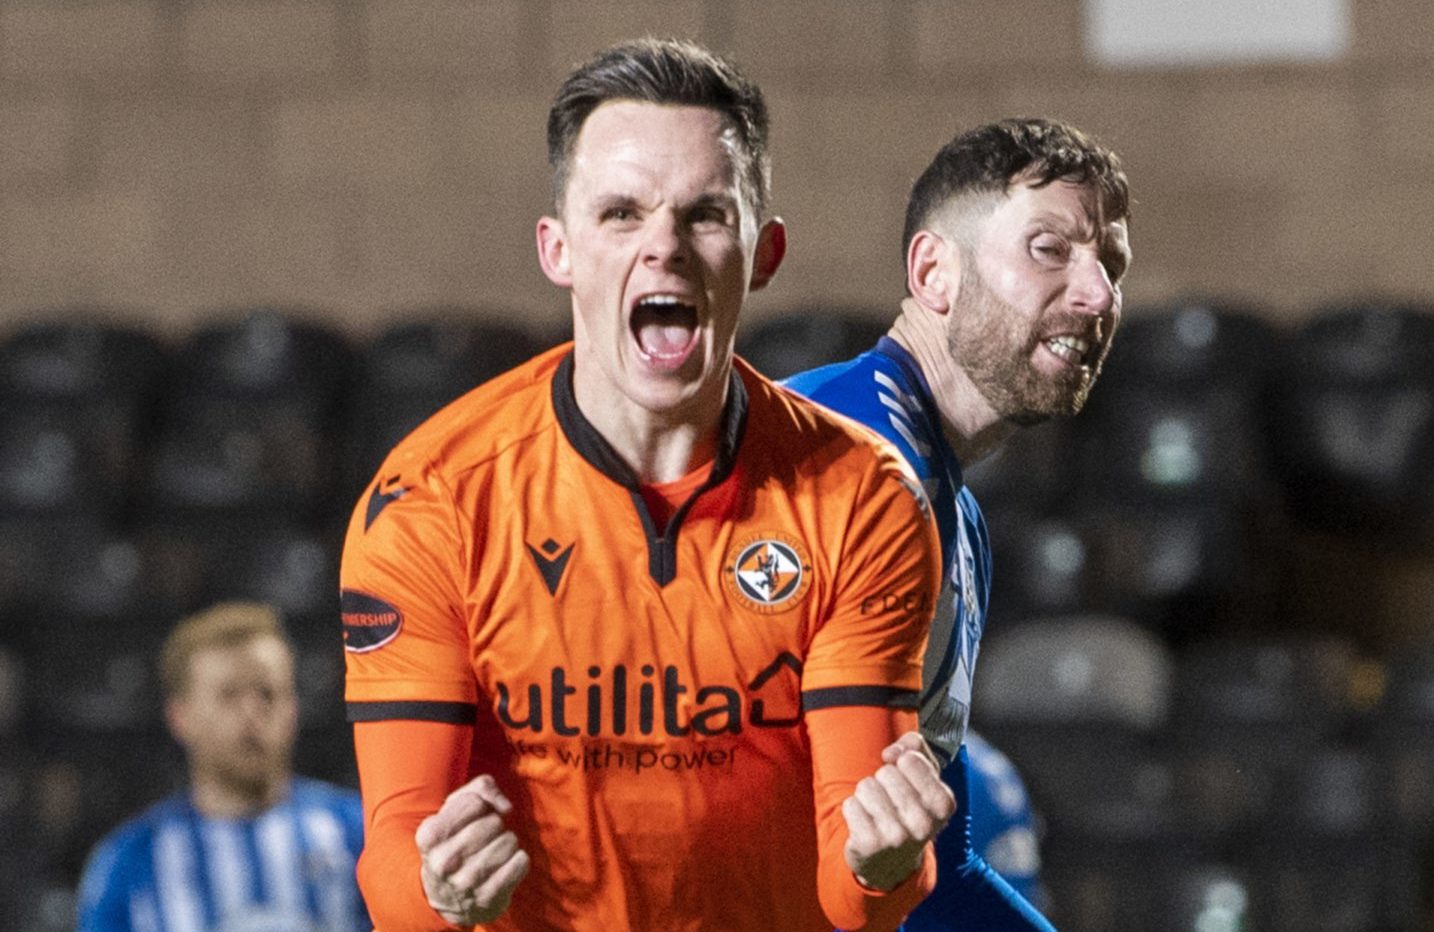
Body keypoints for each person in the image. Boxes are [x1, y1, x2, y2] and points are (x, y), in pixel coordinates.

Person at [340, 37, 954, 932]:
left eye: (705, 214)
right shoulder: (433, 503)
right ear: (558, 249)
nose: (663, 246)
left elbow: (856, 891)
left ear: (765, 250)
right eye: (621, 213)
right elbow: (393, 861)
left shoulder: (862, 498)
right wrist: (438, 897)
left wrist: (885, 864)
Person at [783, 116, 1133, 930]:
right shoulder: (826, 453)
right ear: (935, 271)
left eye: (1111, 265)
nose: (1098, 294)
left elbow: (941, 872)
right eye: (1051, 250)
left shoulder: (958, 517)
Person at [75, 602, 370, 932]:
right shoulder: (131, 864)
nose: (251, 712)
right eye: (228, 694)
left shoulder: (357, 834)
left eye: (267, 692)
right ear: (180, 716)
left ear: (293, 708)